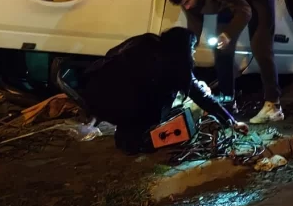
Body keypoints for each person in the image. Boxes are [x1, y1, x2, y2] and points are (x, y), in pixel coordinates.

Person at [80, 27, 248, 155]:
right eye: (192, 49)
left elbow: (111, 56)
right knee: (163, 100)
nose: (193, 52)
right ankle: (132, 140)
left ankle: (127, 135)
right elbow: (201, 96)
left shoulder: (146, 41)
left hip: (94, 96)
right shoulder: (174, 66)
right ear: (182, 49)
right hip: (122, 107)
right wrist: (231, 121)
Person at [166, 0, 283, 124]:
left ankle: (273, 105)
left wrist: (228, 34)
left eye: (187, 2)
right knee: (221, 49)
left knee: (260, 45)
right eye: (182, 4)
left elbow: (244, 10)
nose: (186, 6)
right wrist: (185, 60)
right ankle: (228, 101)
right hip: (228, 0)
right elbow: (193, 30)